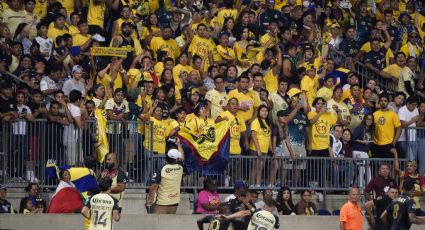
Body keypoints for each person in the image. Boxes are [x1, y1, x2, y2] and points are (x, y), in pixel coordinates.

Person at [145, 143, 184, 214]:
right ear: (176, 159)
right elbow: (182, 157)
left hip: (162, 203)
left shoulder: (162, 167)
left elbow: (154, 186)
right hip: (174, 202)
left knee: (156, 224)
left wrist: (149, 201)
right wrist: (178, 143)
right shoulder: (180, 167)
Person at [371, 94, 401, 158]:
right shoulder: (374, 114)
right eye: (381, 101)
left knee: (388, 165)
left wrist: (394, 143)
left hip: (389, 144)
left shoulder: (393, 114)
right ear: (379, 102)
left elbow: (398, 128)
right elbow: (372, 128)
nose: (383, 102)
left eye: (385, 101)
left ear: (388, 102)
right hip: (376, 144)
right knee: (377, 165)